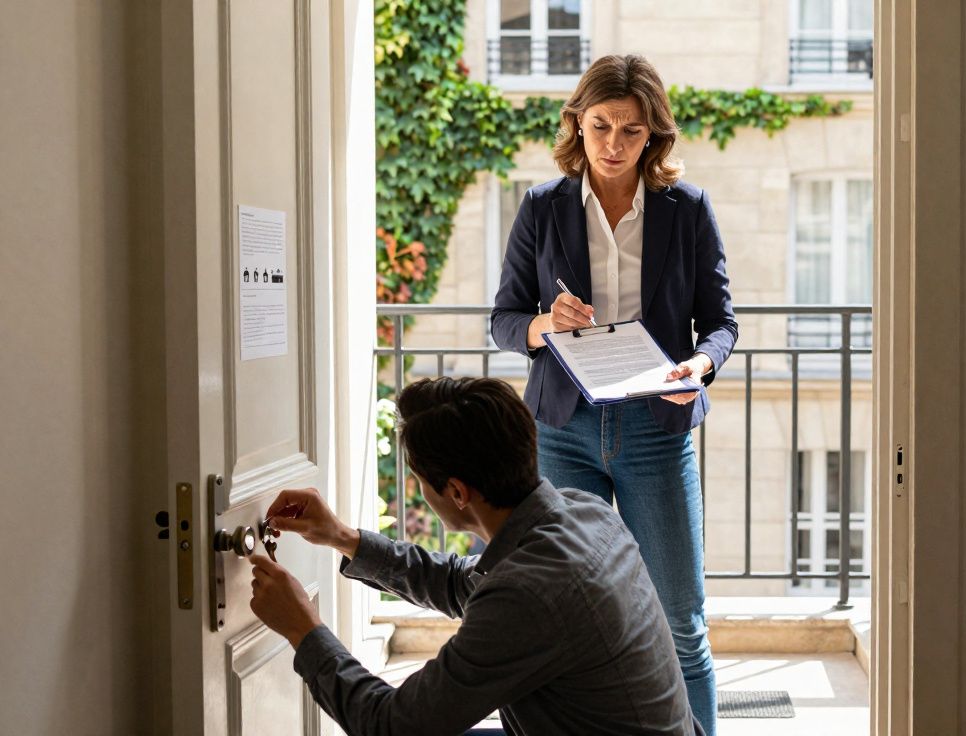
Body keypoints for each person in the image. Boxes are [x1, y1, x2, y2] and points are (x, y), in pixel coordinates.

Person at [490, 54, 737, 734]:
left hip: (658, 430)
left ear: (654, 134)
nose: (614, 144)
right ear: (578, 122)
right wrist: (543, 324)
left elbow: (720, 322)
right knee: (565, 617)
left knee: (679, 621)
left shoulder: (686, 208)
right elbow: (504, 318)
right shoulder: (542, 207)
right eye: (600, 126)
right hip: (564, 432)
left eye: (632, 130)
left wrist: (700, 365)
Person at [247, 376, 705, 736]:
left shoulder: (529, 593)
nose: (421, 492)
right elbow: (459, 583)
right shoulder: (583, 513)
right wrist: (344, 537)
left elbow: (391, 725)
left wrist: (303, 629)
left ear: (457, 492)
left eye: (420, 482)